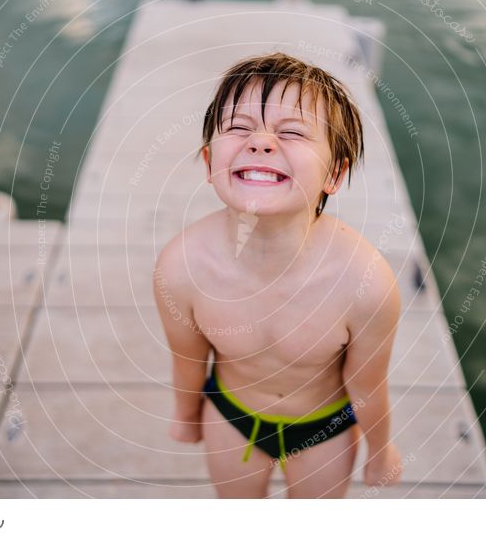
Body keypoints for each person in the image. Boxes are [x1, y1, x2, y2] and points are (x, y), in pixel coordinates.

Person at [153, 52, 402, 498]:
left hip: (322, 427)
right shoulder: (181, 267)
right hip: (232, 416)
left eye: (292, 132)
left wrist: (381, 450)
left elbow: (367, 382)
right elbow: (188, 356)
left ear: (335, 173)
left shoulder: (365, 284)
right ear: (210, 163)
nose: (261, 142)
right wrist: (185, 414)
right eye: (239, 128)